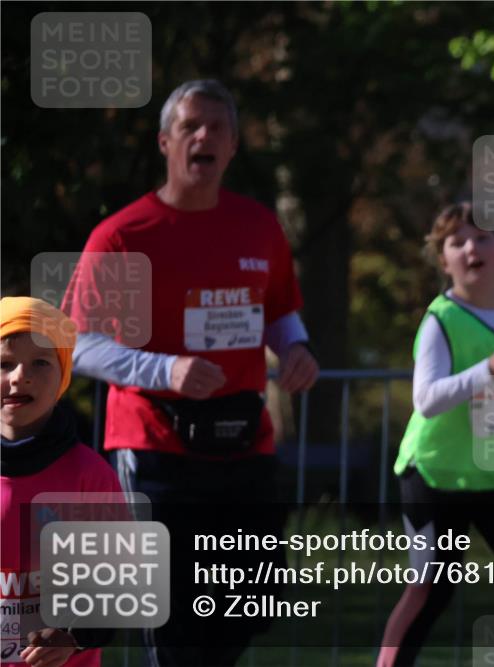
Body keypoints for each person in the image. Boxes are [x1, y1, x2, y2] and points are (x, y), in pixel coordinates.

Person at [61, 80, 319, 667]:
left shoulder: (258, 227)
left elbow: (279, 311)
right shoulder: (124, 237)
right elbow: (78, 346)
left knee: (246, 607)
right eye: (190, 127)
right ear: (164, 142)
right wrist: (164, 369)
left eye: (218, 128)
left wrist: (298, 349)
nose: (204, 136)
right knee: (175, 622)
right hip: (157, 446)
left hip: (246, 444)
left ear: (232, 146)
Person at [377, 203, 494, 667]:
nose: (472, 247)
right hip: (435, 474)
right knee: (432, 588)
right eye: (458, 241)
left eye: (483, 237)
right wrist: (487, 370)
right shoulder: (440, 320)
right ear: (444, 260)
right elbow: (427, 400)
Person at [0, 297, 122, 667]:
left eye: (40, 362)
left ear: (63, 377)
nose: (21, 375)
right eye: (5, 363)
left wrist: (74, 638)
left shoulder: (90, 476)